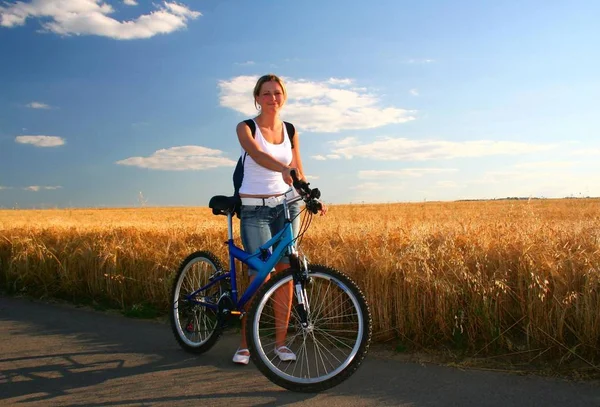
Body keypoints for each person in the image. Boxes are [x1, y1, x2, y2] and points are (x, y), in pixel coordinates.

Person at [232, 74, 309, 365]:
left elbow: (297, 166)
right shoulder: (246, 127)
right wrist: (283, 169)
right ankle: (245, 344)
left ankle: (280, 343)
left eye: (277, 93)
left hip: (287, 207)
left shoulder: (290, 130)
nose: (272, 98)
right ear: (257, 98)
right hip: (255, 209)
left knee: (287, 274)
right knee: (259, 276)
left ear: (283, 96)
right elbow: (257, 155)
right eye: (266, 93)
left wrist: (309, 192)